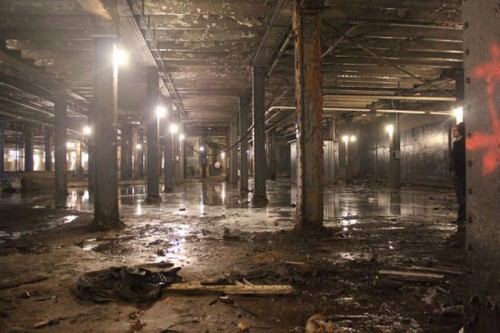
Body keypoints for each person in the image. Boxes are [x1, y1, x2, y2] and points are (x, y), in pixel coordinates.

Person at [450, 122, 466, 225]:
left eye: (455, 130)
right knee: (461, 196)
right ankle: (462, 217)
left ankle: (462, 218)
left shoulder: (461, 143)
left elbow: (458, 159)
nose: (452, 133)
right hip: (457, 172)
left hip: (459, 173)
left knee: (462, 196)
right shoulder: (457, 142)